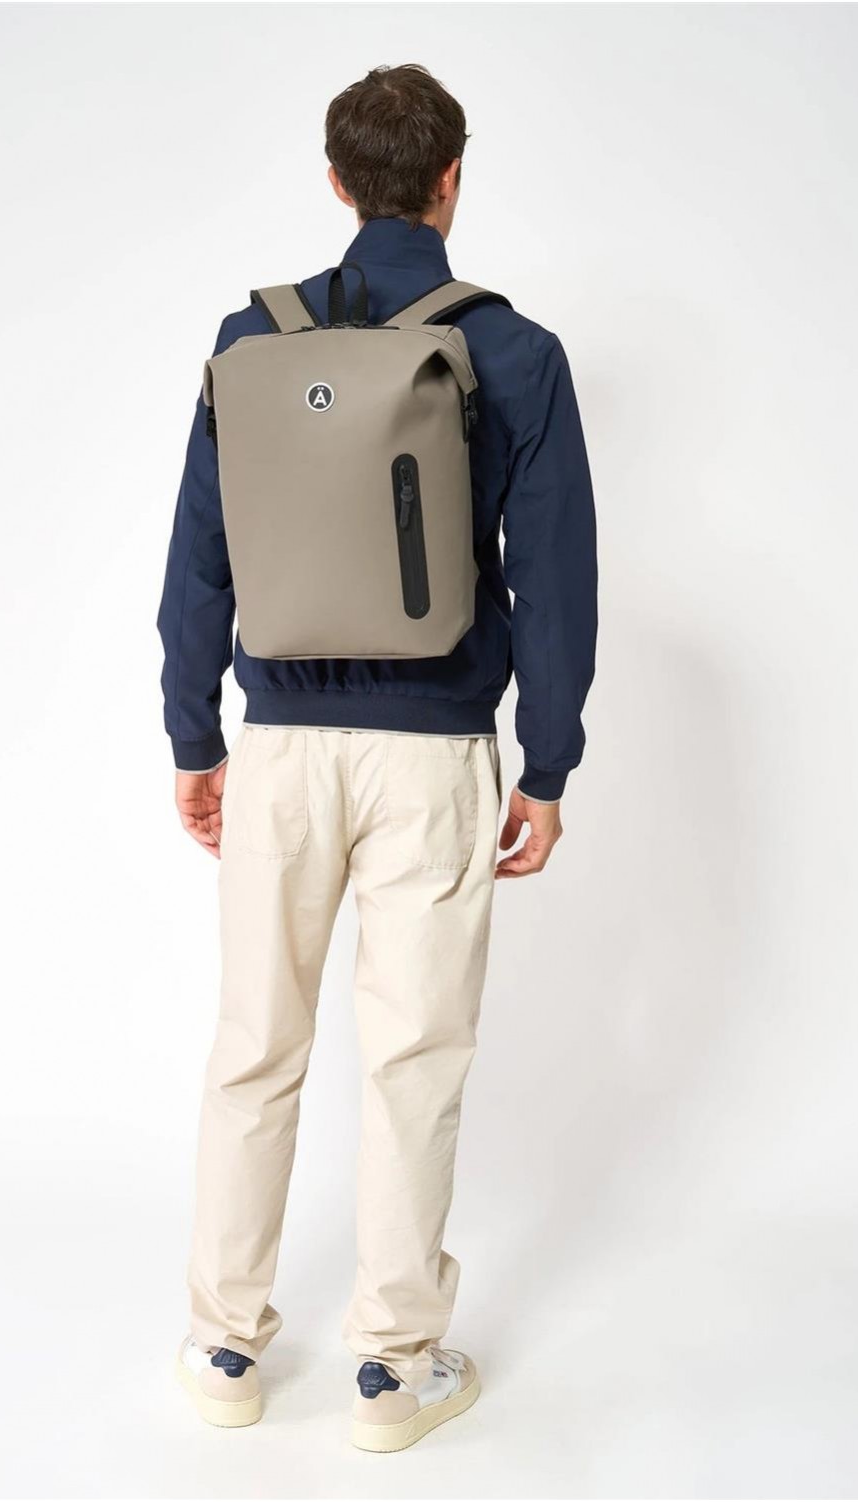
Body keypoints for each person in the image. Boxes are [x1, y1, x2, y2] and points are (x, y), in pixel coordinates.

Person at [158, 62, 597, 1453]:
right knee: (413, 1058)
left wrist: (193, 735)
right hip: (433, 756)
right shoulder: (513, 351)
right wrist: (548, 764)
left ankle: (224, 1345)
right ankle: (391, 1373)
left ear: (338, 182)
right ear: (452, 179)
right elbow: (557, 581)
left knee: (255, 1044)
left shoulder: (251, 339)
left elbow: (201, 560)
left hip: (281, 745)